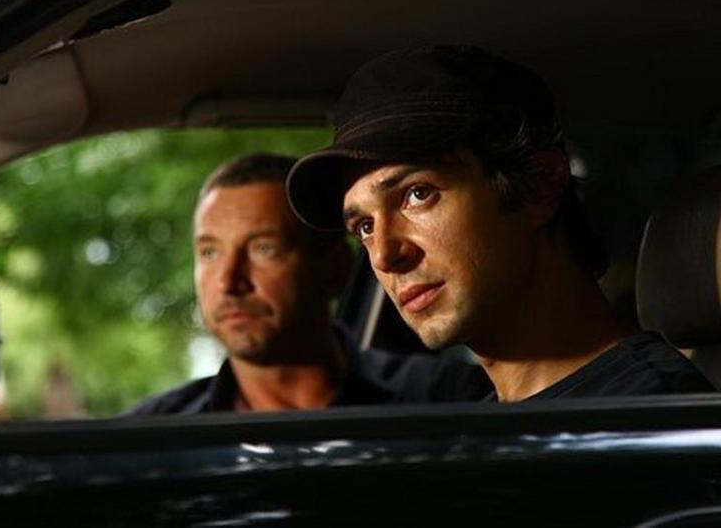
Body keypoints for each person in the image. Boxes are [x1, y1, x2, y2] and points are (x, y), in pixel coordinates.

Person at [287, 45, 715, 402]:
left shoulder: (648, 426)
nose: (383, 254)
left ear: (539, 185)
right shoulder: (495, 420)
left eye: (418, 194)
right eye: (364, 226)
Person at [127, 152, 492, 414]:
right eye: (209, 253)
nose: (228, 281)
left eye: (263, 249)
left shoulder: (450, 400)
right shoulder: (151, 437)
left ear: (335, 268)